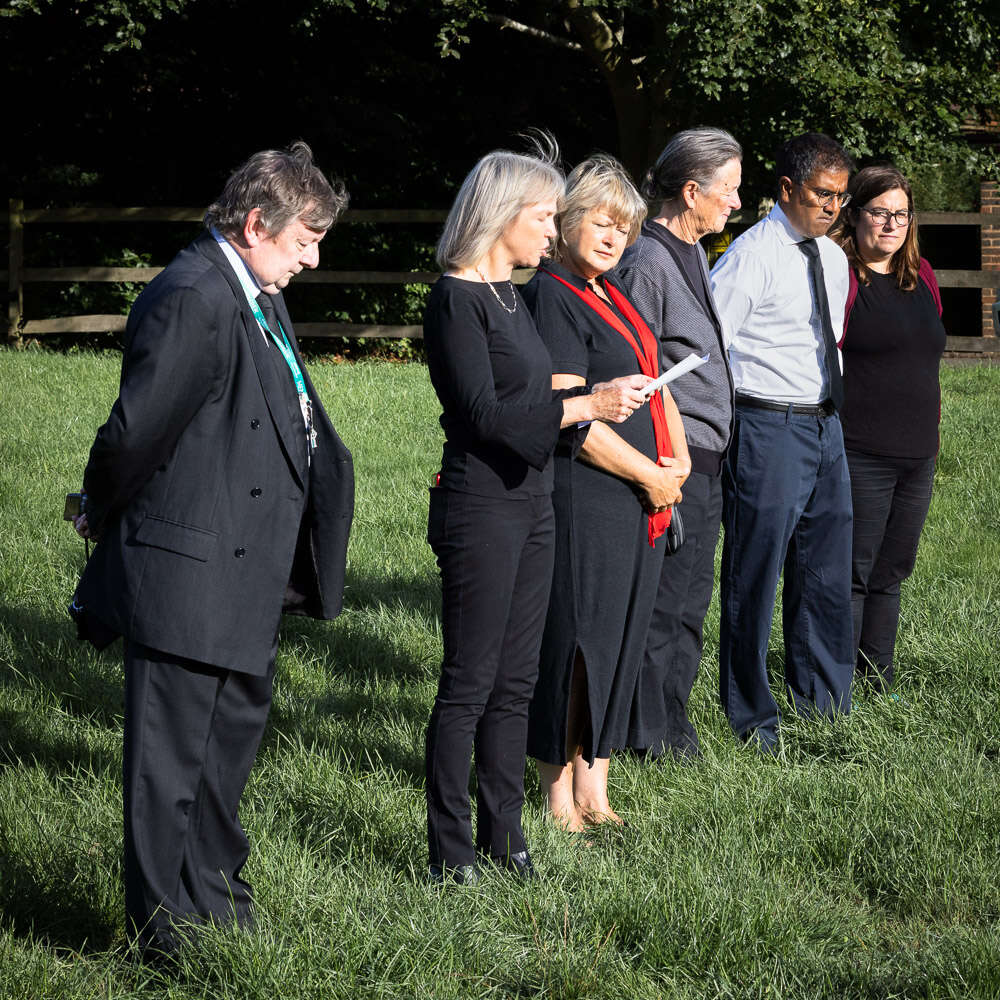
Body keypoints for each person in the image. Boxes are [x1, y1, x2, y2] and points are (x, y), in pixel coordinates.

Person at [69, 142, 354, 957]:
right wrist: (98, 507)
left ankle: (219, 906)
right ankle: (163, 936)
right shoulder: (193, 293)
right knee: (171, 769)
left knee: (222, 754)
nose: (313, 257)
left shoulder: (256, 291)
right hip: (187, 569)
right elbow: (135, 432)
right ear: (256, 223)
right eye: (305, 238)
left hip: (244, 568)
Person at [423, 140, 651, 883]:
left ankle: (505, 840)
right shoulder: (454, 299)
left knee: (517, 683)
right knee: (470, 682)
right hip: (480, 507)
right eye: (544, 217)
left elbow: (531, 401)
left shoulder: (510, 298)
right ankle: (451, 852)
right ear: (501, 215)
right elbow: (486, 414)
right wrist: (585, 403)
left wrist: (584, 402)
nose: (553, 233)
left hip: (532, 504)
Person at [522, 155, 690, 829]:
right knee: (576, 640)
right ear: (566, 221)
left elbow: (656, 382)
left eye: (624, 227)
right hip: (585, 495)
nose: (613, 237)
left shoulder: (612, 294)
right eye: (601, 221)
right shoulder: (554, 295)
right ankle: (558, 797)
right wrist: (650, 475)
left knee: (620, 639)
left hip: (640, 501)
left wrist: (673, 462)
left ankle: (597, 792)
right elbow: (572, 421)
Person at [710, 133, 855, 752]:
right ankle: (751, 718)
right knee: (756, 572)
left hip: (825, 426)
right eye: (823, 195)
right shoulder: (752, 255)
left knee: (824, 571)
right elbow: (710, 346)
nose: (833, 208)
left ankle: (823, 705)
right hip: (768, 425)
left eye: (843, 198)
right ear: (789, 189)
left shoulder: (833, 258)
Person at [617, 127, 742, 761]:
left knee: (691, 602)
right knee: (666, 604)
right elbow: (630, 366)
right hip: (674, 456)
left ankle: (672, 722)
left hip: (707, 457)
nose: (735, 205)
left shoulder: (692, 251)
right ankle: (648, 735)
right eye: (728, 191)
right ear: (691, 192)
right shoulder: (647, 261)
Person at [828, 165, 946, 692]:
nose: (891, 223)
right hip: (861, 452)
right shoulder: (841, 276)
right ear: (855, 215)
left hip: (918, 454)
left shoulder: (923, 278)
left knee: (892, 572)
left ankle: (878, 681)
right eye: (879, 212)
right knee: (853, 573)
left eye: (901, 213)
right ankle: (838, 688)